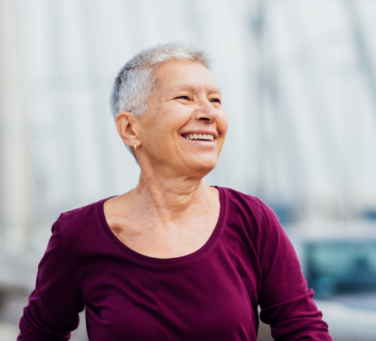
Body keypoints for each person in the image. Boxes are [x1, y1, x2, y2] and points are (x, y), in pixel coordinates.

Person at [18, 43, 331, 341]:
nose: (209, 113)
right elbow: (39, 334)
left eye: (216, 100)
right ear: (130, 129)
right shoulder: (78, 234)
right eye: (185, 97)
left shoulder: (252, 220)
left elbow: (302, 327)